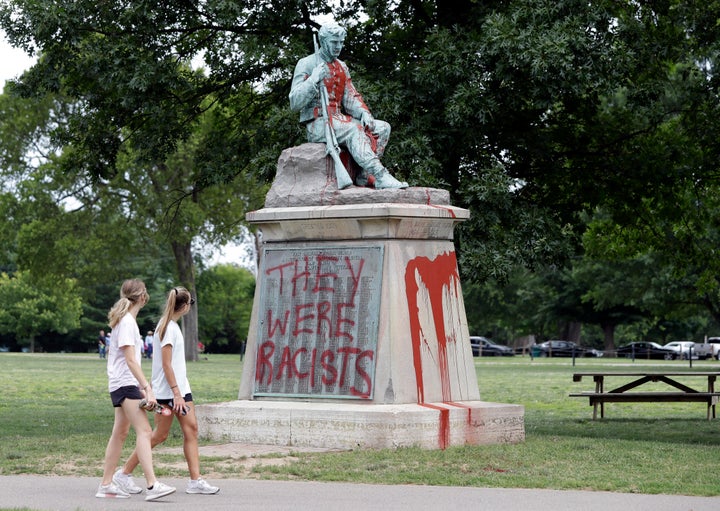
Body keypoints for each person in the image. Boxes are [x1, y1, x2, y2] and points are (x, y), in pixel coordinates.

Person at [115, 286, 220, 495]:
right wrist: (176, 394)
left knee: (192, 430)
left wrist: (181, 392)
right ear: (184, 306)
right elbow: (166, 364)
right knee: (159, 435)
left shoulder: (171, 325)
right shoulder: (167, 327)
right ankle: (123, 473)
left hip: (180, 389)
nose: (191, 307)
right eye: (191, 303)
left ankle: (195, 481)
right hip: (168, 393)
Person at [289, 22, 408, 190]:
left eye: (341, 42)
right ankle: (381, 176)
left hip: (339, 118)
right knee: (354, 129)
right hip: (318, 123)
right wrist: (313, 79)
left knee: (382, 128)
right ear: (323, 41)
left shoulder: (341, 66)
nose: (339, 46)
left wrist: (364, 113)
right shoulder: (307, 63)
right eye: (334, 42)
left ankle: (365, 175)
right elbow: (294, 102)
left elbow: (351, 96)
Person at [96, 279, 176, 501]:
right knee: (144, 431)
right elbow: (130, 360)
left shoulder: (125, 321)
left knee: (120, 433)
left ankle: (106, 484)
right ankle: (152, 485)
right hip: (124, 384)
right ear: (142, 297)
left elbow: (127, 361)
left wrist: (140, 389)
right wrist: (147, 389)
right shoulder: (128, 322)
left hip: (122, 384)